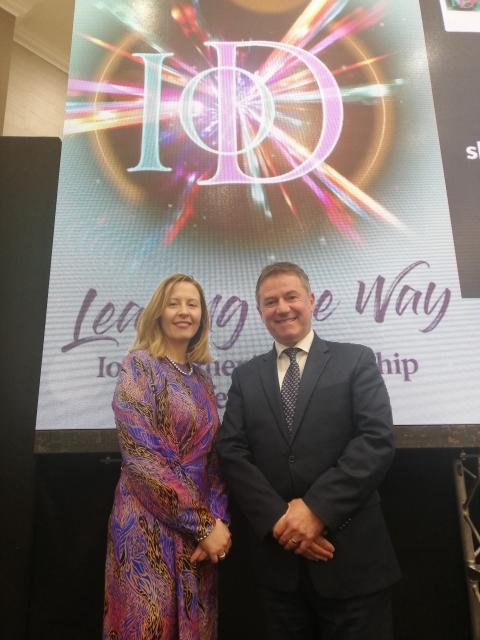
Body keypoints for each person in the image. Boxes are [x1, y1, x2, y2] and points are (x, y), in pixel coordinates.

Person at [216, 262, 400, 640]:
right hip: (279, 571)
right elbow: (231, 451)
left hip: (352, 563)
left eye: (291, 296)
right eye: (270, 301)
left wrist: (316, 510)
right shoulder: (245, 377)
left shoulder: (356, 359)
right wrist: (282, 519)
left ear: (311, 300)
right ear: (260, 310)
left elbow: (375, 438)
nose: (282, 308)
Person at [103, 274, 230, 640]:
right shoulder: (138, 366)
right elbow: (141, 458)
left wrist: (218, 522)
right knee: (147, 627)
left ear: (202, 317)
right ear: (158, 312)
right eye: (174, 303)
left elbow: (213, 460)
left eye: (192, 304)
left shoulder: (202, 379)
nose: (184, 312)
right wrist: (204, 525)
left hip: (200, 533)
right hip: (146, 521)